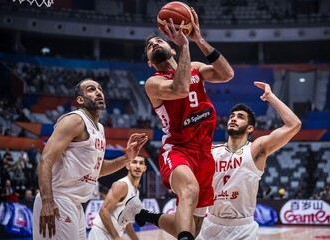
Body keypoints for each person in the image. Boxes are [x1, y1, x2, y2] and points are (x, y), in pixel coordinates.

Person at [119, 7, 234, 240]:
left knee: (195, 226)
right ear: (150, 63)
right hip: (178, 149)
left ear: (170, 47)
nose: (153, 46)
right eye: (149, 48)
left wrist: (197, 39)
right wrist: (184, 47)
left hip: (204, 152)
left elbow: (227, 74)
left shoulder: (196, 69)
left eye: (157, 42)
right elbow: (180, 89)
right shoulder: (153, 82)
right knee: (189, 190)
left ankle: (142, 214)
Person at [32, 79, 148, 239]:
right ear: (80, 99)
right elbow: (46, 160)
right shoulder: (75, 120)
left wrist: (126, 158)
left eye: (100, 89)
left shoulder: (99, 128)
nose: (99, 92)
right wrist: (47, 202)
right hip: (58, 200)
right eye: (91, 90)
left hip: (75, 205)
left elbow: (96, 170)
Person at [196, 81, 301, 240]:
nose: (233, 119)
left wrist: (270, 97)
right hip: (210, 223)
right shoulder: (211, 151)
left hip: (242, 228)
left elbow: (294, 124)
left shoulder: (255, 149)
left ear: (250, 128)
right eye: (232, 116)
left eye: (240, 117)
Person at [87, 155, 147, 240]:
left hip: (113, 235)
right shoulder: (122, 185)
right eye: (134, 162)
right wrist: (116, 237)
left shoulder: (136, 192)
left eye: (141, 163)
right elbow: (103, 211)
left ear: (144, 168)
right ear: (127, 166)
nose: (137, 166)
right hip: (101, 234)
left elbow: (125, 221)